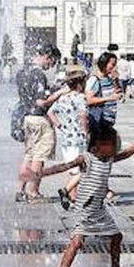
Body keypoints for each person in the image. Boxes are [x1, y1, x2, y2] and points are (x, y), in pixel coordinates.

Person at [50, 122, 134, 267]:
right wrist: (43, 172)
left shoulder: (109, 159)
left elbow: (127, 153)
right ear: (95, 146)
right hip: (84, 209)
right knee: (76, 242)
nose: (113, 147)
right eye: (109, 144)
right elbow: (68, 165)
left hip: (98, 209)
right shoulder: (87, 159)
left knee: (117, 236)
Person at [15, 44, 61, 202]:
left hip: (27, 118)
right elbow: (41, 102)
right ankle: (33, 192)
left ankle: (20, 190)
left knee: (28, 156)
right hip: (40, 119)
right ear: (48, 56)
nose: (51, 66)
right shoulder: (38, 74)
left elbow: (29, 96)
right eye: (52, 62)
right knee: (39, 157)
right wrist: (59, 93)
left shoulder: (22, 72)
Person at [47, 66, 89, 209]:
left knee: (73, 169)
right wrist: (86, 132)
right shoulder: (80, 98)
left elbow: (50, 112)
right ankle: (67, 192)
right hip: (78, 139)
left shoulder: (63, 98)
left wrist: (59, 125)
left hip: (66, 138)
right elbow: (83, 117)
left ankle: (73, 198)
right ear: (80, 84)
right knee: (84, 169)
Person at [86, 51, 121, 127]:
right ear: (104, 64)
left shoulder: (108, 78)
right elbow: (89, 100)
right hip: (99, 120)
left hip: (109, 120)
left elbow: (119, 94)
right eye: (112, 64)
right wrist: (109, 98)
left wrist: (116, 81)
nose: (115, 68)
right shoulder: (94, 80)